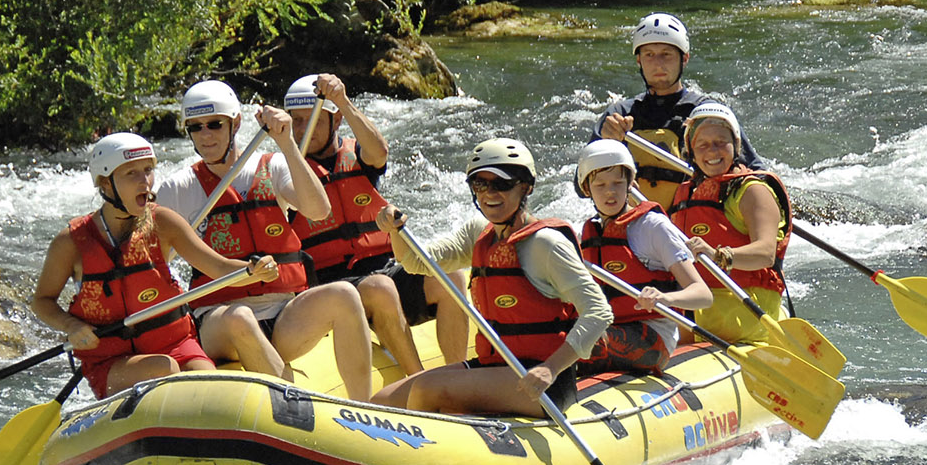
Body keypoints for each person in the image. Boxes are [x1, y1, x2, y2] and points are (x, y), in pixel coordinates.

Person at [155, 80, 374, 401]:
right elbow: (154, 263)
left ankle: (363, 410)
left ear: (236, 124)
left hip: (282, 314)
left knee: (344, 293)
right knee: (239, 317)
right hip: (219, 320)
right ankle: (300, 410)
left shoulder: (272, 165)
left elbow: (318, 209)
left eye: (215, 124)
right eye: (196, 127)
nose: (206, 135)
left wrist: (286, 143)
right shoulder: (177, 188)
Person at [368, 138, 612, 417]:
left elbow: (599, 312)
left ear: (526, 187)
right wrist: (395, 229)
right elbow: (414, 262)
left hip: (543, 379)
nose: (489, 193)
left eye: (502, 184)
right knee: (382, 401)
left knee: (428, 390)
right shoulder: (479, 234)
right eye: (480, 184)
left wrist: (550, 368)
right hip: (494, 366)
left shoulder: (546, 244)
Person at [31, 132, 271, 398]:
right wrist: (71, 326)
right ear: (105, 184)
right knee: (163, 369)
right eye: (131, 174)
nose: (144, 181)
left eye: (148, 170)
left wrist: (254, 270)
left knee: (213, 389)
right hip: (112, 362)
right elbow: (42, 301)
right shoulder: (71, 242)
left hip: (177, 345)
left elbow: (220, 268)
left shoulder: (164, 223)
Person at [281, 73, 469, 375]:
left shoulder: (356, 153)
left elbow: (379, 152)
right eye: (297, 122)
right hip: (332, 286)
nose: (305, 130)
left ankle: (457, 378)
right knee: (381, 287)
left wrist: (340, 98)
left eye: (313, 119)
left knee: (451, 275)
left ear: (336, 121)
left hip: (383, 268)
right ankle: (421, 384)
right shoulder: (286, 172)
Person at [592, 12, 764, 209]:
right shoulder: (618, 115)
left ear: (684, 59)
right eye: (649, 55)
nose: (658, 63)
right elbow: (582, 188)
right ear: (639, 60)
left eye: (666, 54)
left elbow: (757, 173)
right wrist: (605, 145)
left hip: (694, 225)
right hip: (634, 224)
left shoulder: (706, 113)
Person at [572, 139, 714, 374]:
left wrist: (664, 298)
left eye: (618, 183)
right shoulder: (589, 232)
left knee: (582, 343)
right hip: (608, 328)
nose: (610, 192)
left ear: (631, 184)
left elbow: (703, 295)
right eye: (600, 185)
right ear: (587, 189)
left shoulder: (653, 227)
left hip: (653, 338)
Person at [667, 102, 792, 345]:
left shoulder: (753, 191)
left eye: (720, 142)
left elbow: (765, 253)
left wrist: (717, 255)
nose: (712, 152)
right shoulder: (686, 193)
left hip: (746, 325)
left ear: (735, 146)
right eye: (702, 145)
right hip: (693, 321)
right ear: (691, 152)